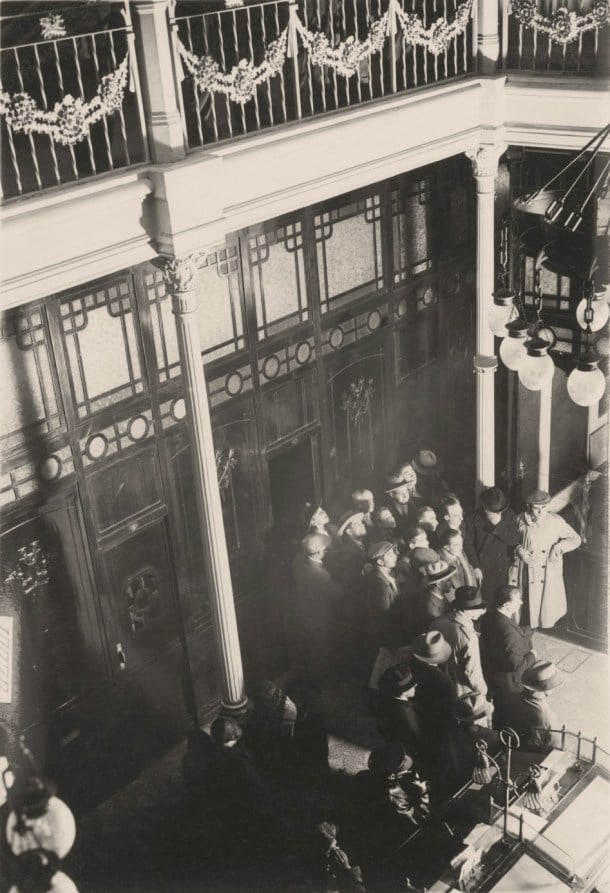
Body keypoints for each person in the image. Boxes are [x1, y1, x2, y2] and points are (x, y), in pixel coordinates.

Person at [515, 490, 581, 629]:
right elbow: (511, 540)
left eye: (544, 508)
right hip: (527, 570)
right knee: (525, 608)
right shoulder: (520, 519)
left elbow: (576, 539)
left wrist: (558, 548)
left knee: (542, 609)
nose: (540, 512)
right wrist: (519, 549)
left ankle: (530, 635)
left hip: (547, 572)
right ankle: (525, 639)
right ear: (529, 506)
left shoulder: (555, 522)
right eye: (536, 508)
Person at [479, 585, 537, 729]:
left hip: (494, 676)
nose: (521, 603)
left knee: (501, 713)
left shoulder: (490, 616)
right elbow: (515, 664)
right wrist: (532, 655)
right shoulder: (509, 634)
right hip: (510, 683)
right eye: (518, 600)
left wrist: (524, 632)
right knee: (511, 716)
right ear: (506, 605)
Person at [292, 533, 343, 683]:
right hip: (319, 617)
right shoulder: (321, 575)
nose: (327, 552)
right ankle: (320, 682)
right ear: (319, 552)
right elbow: (338, 595)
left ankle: (309, 678)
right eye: (326, 550)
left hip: (302, 613)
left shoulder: (298, 560)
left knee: (308, 647)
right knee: (319, 650)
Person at [410, 631, 458, 787]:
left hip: (423, 720)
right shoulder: (445, 682)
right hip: (442, 726)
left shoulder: (416, 670)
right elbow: (452, 710)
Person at [430, 586, 490, 700]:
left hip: (440, 685)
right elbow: (471, 672)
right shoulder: (468, 637)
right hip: (462, 691)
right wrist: (483, 691)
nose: (483, 611)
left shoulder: (437, 622)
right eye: (480, 608)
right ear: (470, 611)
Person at [437, 691, 499, 799]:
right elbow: (498, 767)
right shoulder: (493, 736)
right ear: (482, 717)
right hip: (486, 790)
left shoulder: (447, 738)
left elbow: (443, 773)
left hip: (459, 792)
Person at [465, 487, 520, 604]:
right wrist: (475, 566)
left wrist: (498, 525)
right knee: (484, 602)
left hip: (502, 567)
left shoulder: (510, 516)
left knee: (501, 601)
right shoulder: (473, 518)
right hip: (482, 568)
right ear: (485, 508)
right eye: (494, 511)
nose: (498, 514)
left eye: (500, 511)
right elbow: (468, 544)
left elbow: (514, 540)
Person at [503, 660, 563, 750]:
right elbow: (555, 745)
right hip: (533, 754)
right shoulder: (546, 715)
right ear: (548, 689)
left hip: (511, 744)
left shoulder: (513, 697)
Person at [376, 663, 424, 763]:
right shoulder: (406, 713)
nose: (416, 685)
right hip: (409, 753)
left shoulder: (389, 702)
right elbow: (419, 737)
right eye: (412, 685)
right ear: (403, 691)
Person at [315, 822, 366, 893]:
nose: (320, 839)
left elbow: (359, 888)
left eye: (323, 835)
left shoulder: (339, 855)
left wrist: (348, 869)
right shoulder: (324, 855)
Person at [437, 494, 480, 576]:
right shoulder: (440, 533)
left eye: (461, 513)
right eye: (456, 516)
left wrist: (476, 566)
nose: (461, 518)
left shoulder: (463, 524)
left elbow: (468, 545)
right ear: (446, 517)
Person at [413, 559, 455, 635]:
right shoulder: (430, 608)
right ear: (438, 584)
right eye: (449, 580)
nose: (452, 584)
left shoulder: (440, 597)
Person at [439, 528, 480, 600]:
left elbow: (471, 576)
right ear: (446, 548)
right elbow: (450, 595)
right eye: (456, 545)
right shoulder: (441, 564)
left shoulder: (461, 554)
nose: (461, 547)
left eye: (461, 543)